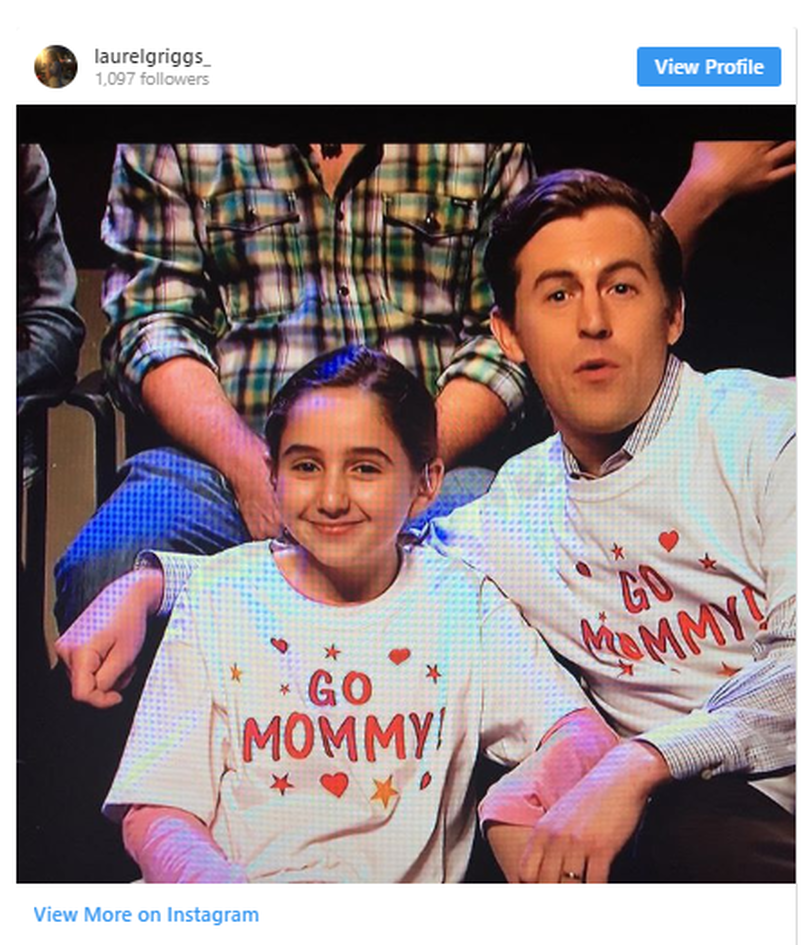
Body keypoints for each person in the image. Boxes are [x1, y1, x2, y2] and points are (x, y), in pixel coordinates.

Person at [62, 170, 794, 883]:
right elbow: (368, 550)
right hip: (670, 813)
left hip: (705, 789)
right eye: (558, 294)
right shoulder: (515, 510)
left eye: (622, 288)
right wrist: (150, 584)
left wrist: (635, 763)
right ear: (508, 334)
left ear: (673, 312)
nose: (593, 321)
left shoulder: (770, 430)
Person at [53, 140, 794, 634]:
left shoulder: (479, 141)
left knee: (510, 576)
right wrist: (256, 469)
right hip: (225, 456)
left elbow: (508, 336)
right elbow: (151, 324)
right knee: (115, 562)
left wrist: (400, 464)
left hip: (435, 458)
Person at [101, 346, 617, 883]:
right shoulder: (218, 597)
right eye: (306, 466)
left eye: (364, 469)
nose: (331, 498)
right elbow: (154, 810)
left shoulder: (461, 605)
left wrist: (515, 801)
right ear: (272, 475)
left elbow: (581, 733)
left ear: (426, 483)